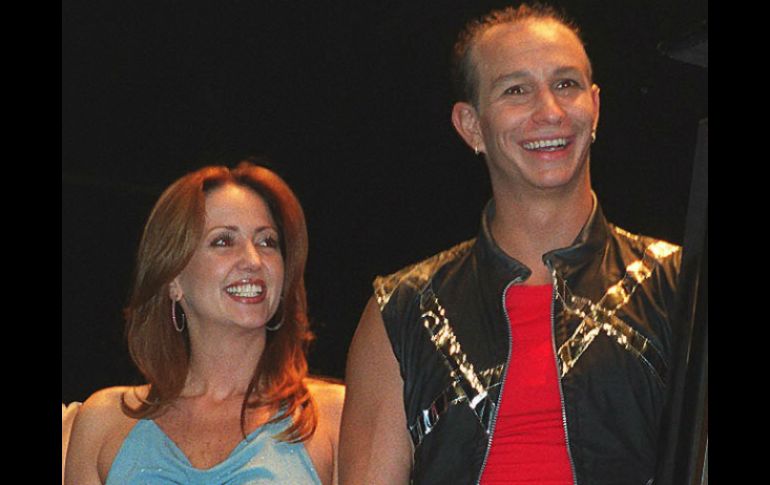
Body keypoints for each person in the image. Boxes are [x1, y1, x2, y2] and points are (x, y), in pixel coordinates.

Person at [340, 4, 681, 485]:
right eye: (516, 90)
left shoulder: (680, 284)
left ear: (595, 108)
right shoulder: (402, 310)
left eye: (566, 84)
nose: (550, 111)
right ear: (470, 126)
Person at [65, 161, 344, 485]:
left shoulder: (332, 418)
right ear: (173, 278)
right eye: (223, 241)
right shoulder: (103, 423)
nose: (253, 260)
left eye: (267, 241)